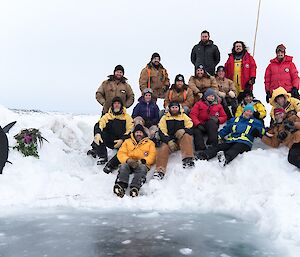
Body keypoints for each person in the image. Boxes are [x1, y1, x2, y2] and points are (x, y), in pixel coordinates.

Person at [196, 104, 265, 166]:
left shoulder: (255, 122)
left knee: (235, 149)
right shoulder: (235, 120)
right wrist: (218, 136)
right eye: (247, 111)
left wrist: (258, 131)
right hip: (231, 140)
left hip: (244, 142)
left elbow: (262, 130)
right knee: (219, 147)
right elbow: (226, 129)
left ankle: (226, 158)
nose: (248, 113)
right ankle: (204, 155)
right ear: (243, 111)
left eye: (251, 112)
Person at [87, 97, 133, 171]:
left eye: (118, 103)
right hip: (110, 140)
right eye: (115, 103)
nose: (116, 105)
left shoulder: (127, 117)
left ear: (121, 105)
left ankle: (116, 162)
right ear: (112, 105)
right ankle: (102, 156)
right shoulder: (107, 116)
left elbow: (130, 129)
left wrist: (122, 139)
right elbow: (100, 124)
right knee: (99, 134)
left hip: (121, 142)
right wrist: (97, 133)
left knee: (129, 140)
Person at [153, 101, 195, 180]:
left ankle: (188, 159)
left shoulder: (184, 116)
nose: (174, 109)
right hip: (169, 141)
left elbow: (191, 127)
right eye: (173, 107)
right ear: (170, 109)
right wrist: (168, 141)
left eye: (176, 107)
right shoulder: (165, 118)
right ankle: (159, 171)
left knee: (186, 136)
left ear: (179, 108)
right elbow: (162, 131)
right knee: (162, 148)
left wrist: (184, 130)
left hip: (181, 140)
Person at [113, 124, 156, 198]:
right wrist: (128, 160)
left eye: (140, 132)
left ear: (143, 133)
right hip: (129, 162)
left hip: (141, 164)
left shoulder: (150, 143)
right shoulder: (127, 142)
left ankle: (135, 188)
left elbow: (152, 156)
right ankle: (121, 186)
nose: (138, 134)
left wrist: (142, 161)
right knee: (123, 166)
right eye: (137, 132)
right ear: (134, 133)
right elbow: (121, 153)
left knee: (142, 169)